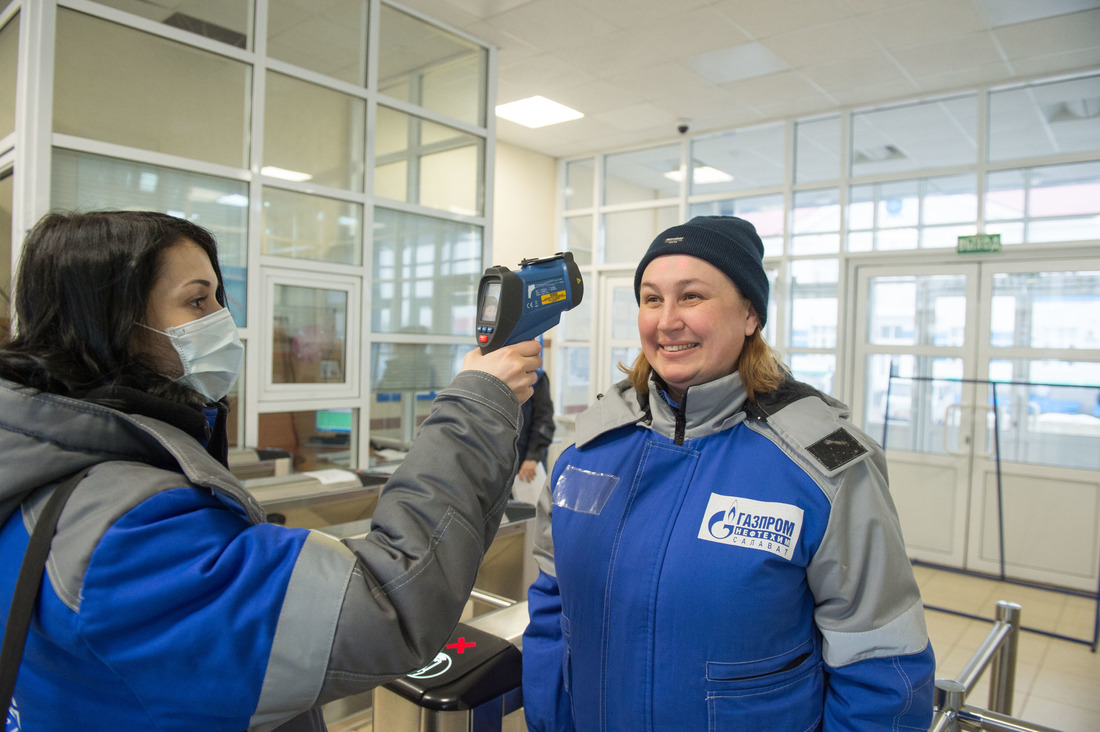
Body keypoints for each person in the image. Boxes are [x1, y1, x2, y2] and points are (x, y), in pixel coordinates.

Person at [0, 210, 542, 731]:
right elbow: (386, 602)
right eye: (196, 301)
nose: (222, 322)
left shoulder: (39, 475)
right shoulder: (124, 531)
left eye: (218, 299)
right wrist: (477, 404)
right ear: (110, 325)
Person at [522, 216, 935, 730]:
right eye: (651, 299)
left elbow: (881, 664)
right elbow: (550, 610)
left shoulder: (820, 467)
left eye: (691, 296)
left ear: (749, 315)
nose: (666, 321)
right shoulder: (590, 450)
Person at [511, 368, 555, 505]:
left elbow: (544, 421)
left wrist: (533, 457)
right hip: (500, 464)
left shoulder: (536, 378)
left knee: (530, 512)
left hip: (526, 462)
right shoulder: (493, 377)